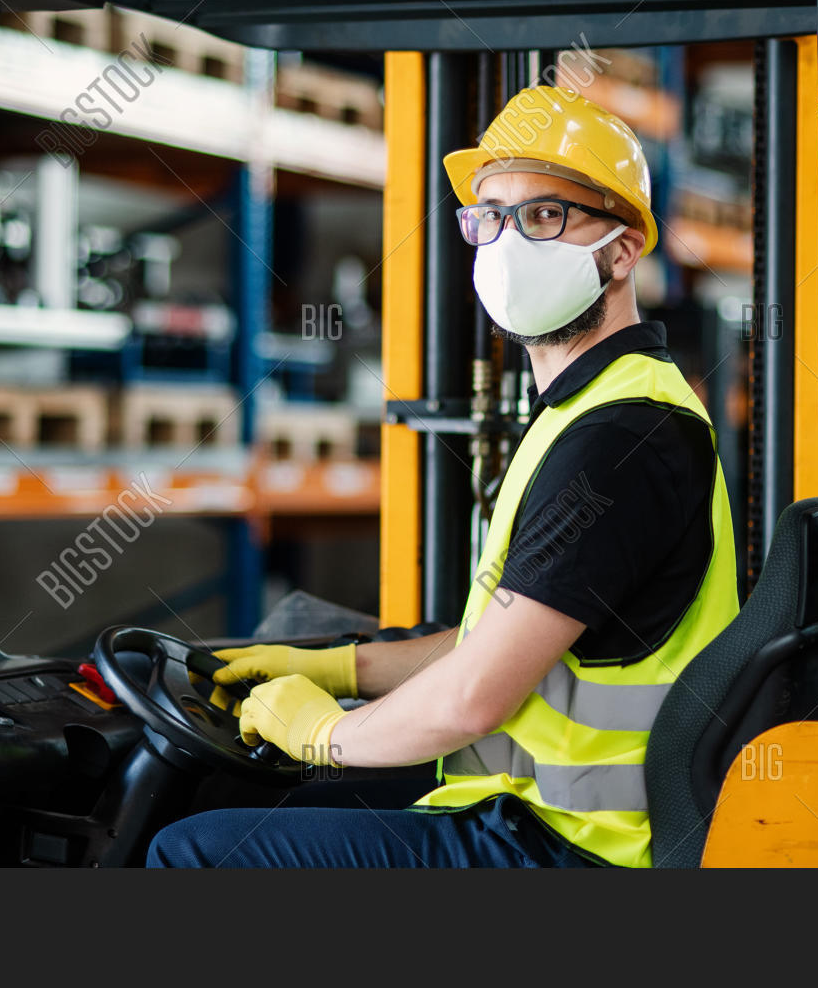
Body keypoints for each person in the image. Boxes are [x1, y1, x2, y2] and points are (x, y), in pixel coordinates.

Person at [146, 86, 740, 868]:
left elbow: (474, 696)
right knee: (241, 802)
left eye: (543, 216)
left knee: (195, 853)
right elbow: (491, 648)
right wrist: (333, 666)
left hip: (571, 848)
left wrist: (326, 733)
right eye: (488, 217)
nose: (505, 243)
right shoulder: (589, 408)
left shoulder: (620, 440)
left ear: (623, 249)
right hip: (523, 811)